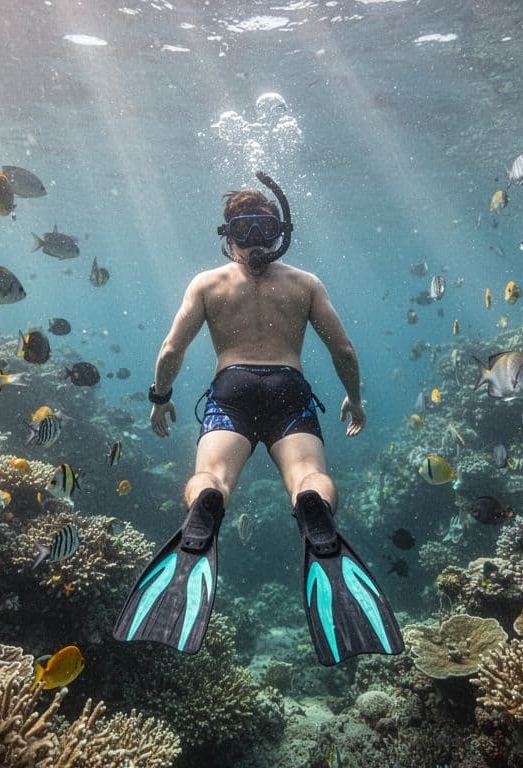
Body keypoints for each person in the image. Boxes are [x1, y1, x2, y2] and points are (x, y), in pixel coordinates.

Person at [113, 173, 404, 666]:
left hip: (232, 390)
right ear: (276, 233)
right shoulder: (305, 284)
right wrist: (354, 400)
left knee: (212, 476)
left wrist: (160, 398)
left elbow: (170, 349)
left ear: (228, 236)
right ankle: (313, 508)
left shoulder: (207, 284)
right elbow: (345, 351)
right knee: (310, 477)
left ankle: (206, 505)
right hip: (289, 391)